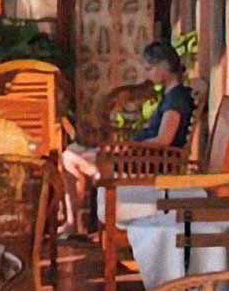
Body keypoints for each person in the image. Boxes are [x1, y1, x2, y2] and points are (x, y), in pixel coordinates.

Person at [59, 39, 197, 236]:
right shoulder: (170, 94)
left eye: (150, 68)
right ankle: (78, 218)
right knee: (74, 152)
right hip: (140, 155)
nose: (147, 74)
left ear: (164, 67)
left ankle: (86, 204)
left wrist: (128, 147)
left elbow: (163, 141)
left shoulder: (176, 100)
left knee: (71, 158)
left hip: (147, 161)